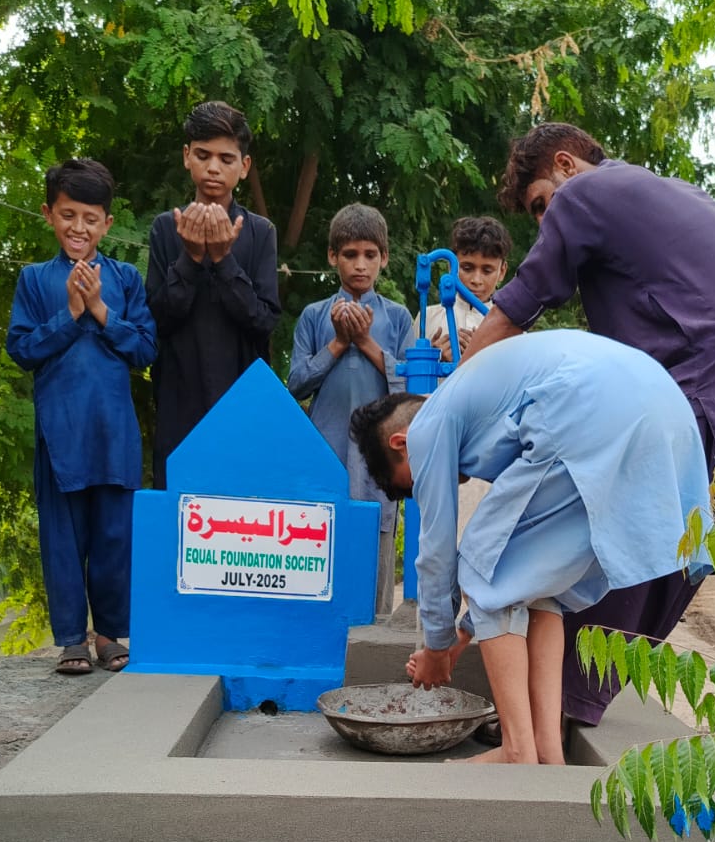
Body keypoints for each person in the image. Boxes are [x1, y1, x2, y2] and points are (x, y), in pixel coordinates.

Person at [460, 123, 715, 764]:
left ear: (565, 164)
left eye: (540, 204)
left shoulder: (587, 193)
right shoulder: (675, 194)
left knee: (640, 531)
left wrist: (455, 395)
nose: (547, 221)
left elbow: (518, 305)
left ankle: (556, 711)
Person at [350, 330, 711, 763]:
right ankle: (547, 750)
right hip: (664, 409)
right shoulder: (476, 399)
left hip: (592, 410)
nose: (430, 486)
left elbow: (437, 552)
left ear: (400, 443)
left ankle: (516, 749)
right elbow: (523, 575)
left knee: (482, 563)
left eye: (413, 484)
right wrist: (462, 634)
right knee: (542, 590)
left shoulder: (426, 426)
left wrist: (437, 647)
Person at [6, 158, 157, 675]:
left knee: (115, 537)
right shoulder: (34, 280)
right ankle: (72, 639)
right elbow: (22, 349)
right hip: (60, 434)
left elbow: (145, 348)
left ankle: (110, 635)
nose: (78, 228)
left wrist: (100, 311)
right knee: (63, 540)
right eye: (68, 215)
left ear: (107, 224)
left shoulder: (126, 279)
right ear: (49, 213)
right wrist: (71, 313)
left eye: (90, 218)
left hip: (113, 432)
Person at [147, 101, 281, 488]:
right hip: (178, 400)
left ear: (244, 166)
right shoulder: (165, 229)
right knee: (178, 504)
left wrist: (224, 260)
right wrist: (190, 259)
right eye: (203, 155)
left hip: (242, 401)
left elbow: (263, 321)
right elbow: (157, 320)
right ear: (186, 156)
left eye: (226, 158)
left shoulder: (260, 232)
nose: (213, 168)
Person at [288, 204, 413, 616]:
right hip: (327, 453)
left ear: (384, 258)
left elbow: (411, 391)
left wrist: (366, 342)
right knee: (320, 554)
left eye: (370, 255)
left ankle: (374, 632)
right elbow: (296, 384)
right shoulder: (314, 316)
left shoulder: (397, 318)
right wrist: (339, 343)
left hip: (380, 461)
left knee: (374, 559)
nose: (360, 265)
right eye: (350, 254)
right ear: (332, 256)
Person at [413, 216, 511, 360]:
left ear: (502, 271)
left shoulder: (511, 327)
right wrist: (434, 359)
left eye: (487, 271)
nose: (476, 280)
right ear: (451, 267)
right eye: (467, 268)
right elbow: (410, 370)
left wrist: (482, 357)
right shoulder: (427, 318)